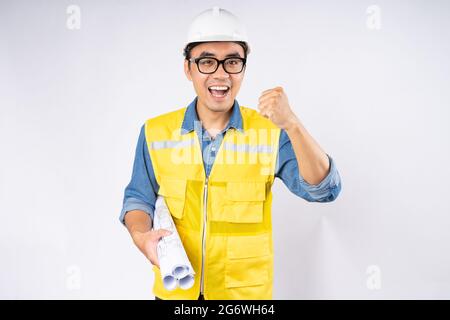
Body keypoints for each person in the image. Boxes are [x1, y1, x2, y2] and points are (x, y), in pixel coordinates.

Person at [119, 7, 342, 300]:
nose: (221, 74)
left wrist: (292, 124)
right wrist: (141, 236)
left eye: (233, 62)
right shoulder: (155, 132)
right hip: (176, 292)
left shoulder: (271, 133)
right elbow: (138, 198)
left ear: (244, 67)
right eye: (207, 62)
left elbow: (324, 190)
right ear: (188, 68)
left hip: (243, 299)